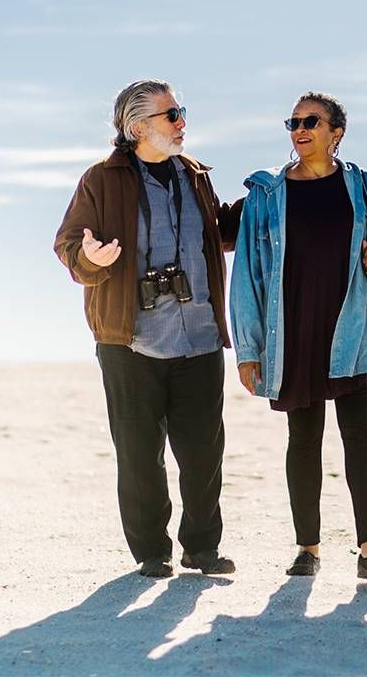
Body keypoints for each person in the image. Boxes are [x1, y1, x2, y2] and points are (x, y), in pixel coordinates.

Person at [53, 79, 242, 578]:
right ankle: (151, 553)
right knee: (139, 455)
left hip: (199, 334)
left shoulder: (195, 174)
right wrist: (89, 259)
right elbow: (69, 245)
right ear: (137, 127)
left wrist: (259, 204)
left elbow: (218, 232)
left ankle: (202, 548)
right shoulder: (102, 178)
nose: (182, 123)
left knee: (203, 452)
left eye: (181, 112)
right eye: (172, 115)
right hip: (129, 339)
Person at [230, 92, 367, 580]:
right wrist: (248, 350)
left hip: (351, 327)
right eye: (294, 121)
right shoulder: (266, 196)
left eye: (312, 121)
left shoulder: (365, 188)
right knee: (302, 440)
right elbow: (246, 274)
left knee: (360, 436)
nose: (300, 129)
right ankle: (307, 549)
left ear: (337, 132)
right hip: (290, 331)